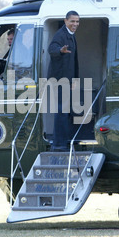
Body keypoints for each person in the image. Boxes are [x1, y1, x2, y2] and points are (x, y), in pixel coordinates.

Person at [47, 10, 80, 151]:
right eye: (72, 21)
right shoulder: (61, 35)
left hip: (68, 81)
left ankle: (65, 141)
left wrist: (74, 80)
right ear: (66, 21)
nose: (75, 24)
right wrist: (60, 50)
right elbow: (52, 48)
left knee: (66, 111)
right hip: (60, 81)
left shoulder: (71, 35)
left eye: (77, 21)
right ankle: (59, 144)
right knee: (61, 111)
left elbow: (73, 62)